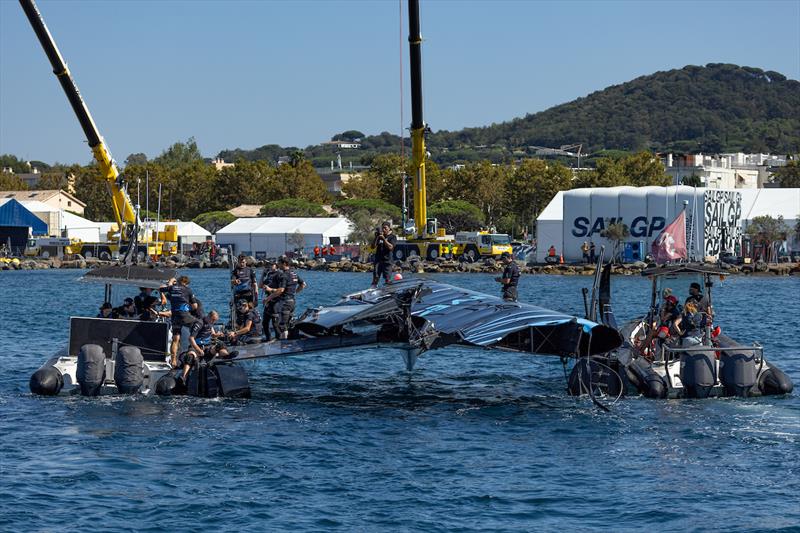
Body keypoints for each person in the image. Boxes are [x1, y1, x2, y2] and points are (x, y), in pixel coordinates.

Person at [264, 256, 306, 340]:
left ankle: (284, 345)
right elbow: (303, 284)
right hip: (292, 302)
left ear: (284, 263)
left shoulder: (284, 275)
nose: (278, 265)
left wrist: (268, 298)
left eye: (279, 263)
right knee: (288, 323)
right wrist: (294, 292)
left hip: (285, 303)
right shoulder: (294, 273)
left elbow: (281, 290)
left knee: (282, 325)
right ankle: (288, 341)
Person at [163, 275, 199, 367]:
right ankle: (195, 349)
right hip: (184, 315)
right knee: (198, 323)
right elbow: (195, 306)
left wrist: (170, 283)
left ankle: (173, 360)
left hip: (175, 316)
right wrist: (187, 307)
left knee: (175, 339)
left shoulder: (172, 289)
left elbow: (162, 290)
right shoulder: (188, 290)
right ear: (186, 283)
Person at [371, 221, 396, 288]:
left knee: (387, 279)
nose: (384, 230)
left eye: (385, 228)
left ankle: (389, 291)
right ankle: (372, 290)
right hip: (378, 260)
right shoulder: (379, 236)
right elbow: (372, 247)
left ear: (389, 228)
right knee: (376, 277)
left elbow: (391, 247)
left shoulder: (392, 237)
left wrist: (384, 239)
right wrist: (376, 237)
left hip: (387, 261)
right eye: (383, 228)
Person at [260, 261, 281, 341]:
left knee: (275, 323)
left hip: (275, 301)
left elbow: (281, 290)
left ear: (276, 265)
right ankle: (268, 338)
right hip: (268, 301)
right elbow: (260, 285)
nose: (270, 266)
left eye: (272, 264)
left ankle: (278, 339)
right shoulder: (269, 274)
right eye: (269, 265)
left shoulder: (279, 274)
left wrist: (270, 289)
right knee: (265, 323)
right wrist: (263, 274)